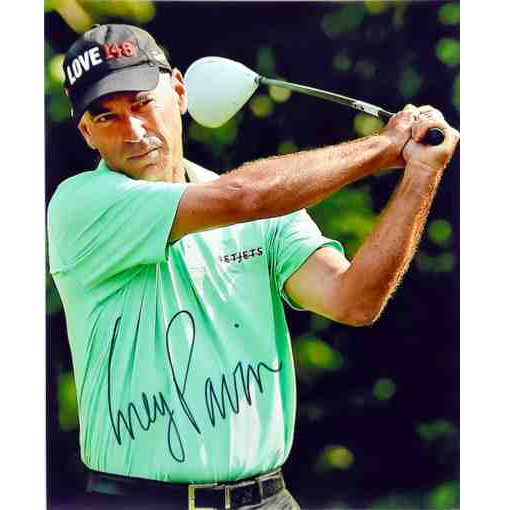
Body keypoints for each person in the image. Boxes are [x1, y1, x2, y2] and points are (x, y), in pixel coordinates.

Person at [47, 23, 459, 510]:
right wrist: (384, 146)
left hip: (269, 498)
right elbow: (244, 196)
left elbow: (354, 300)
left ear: (179, 91)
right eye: (107, 116)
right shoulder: (82, 205)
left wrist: (421, 171)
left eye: (142, 103)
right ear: (87, 133)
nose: (133, 131)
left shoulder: (265, 206)